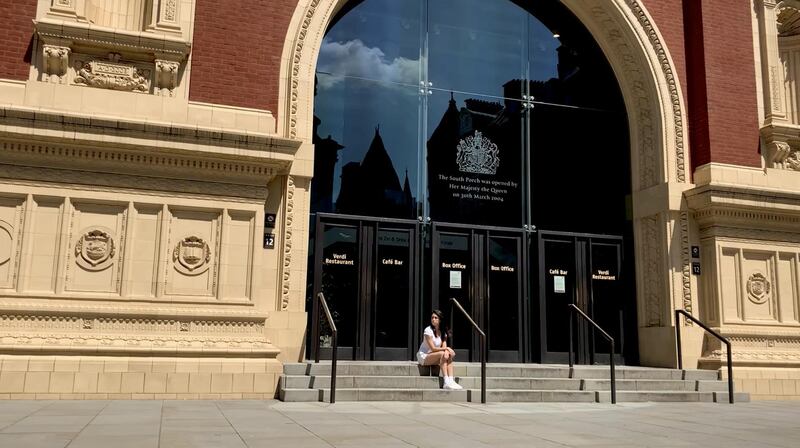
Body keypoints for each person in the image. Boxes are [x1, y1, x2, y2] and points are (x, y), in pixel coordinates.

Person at [417, 310, 462, 390]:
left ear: (440, 320)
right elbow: (433, 348)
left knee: (448, 355)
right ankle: (446, 382)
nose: (433, 319)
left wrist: (447, 351)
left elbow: (444, 347)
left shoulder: (443, 332)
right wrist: (447, 348)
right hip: (424, 356)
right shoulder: (428, 330)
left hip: (434, 356)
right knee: (443, 353)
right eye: (432, 317)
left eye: (436, 318)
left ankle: (451, 380)